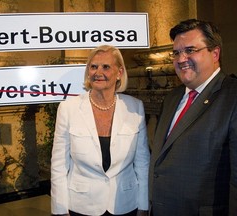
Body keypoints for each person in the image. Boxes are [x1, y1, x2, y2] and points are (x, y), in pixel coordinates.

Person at [149, 19, 237, 216]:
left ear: (215, 53)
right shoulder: (172, 98)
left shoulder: (232, 96)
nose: (181, 59)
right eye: (177, 52)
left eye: (190, 50)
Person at [51, 45, 150, 216]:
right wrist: (60, 209)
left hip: (126, 203)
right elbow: (59, 164)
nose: (98, 72)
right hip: (81, 206)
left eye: (106, 67)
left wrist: (144, 205)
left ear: (119, 72)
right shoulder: (68, 108)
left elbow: (142, 163)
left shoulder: (134, 107)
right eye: (93, 66)